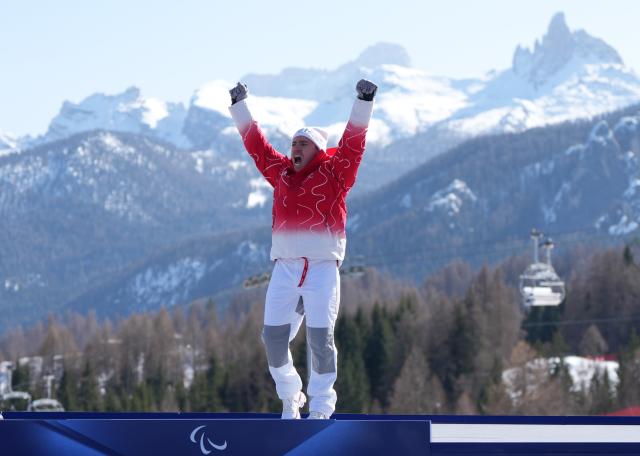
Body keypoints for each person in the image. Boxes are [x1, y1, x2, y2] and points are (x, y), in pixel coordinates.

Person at [228, 79, 377, 419]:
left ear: (317, 151)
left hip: (323, 270)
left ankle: (322, 407)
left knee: (321, 341)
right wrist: (240, 105)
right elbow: (257, 146)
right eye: (294, 143)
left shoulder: (335, 174)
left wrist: (363, 100)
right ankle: (291, 394)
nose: (295, 148)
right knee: (273, 340)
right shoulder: (280, 172)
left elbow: (353, 145)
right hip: (286, 269)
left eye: (303, 144)